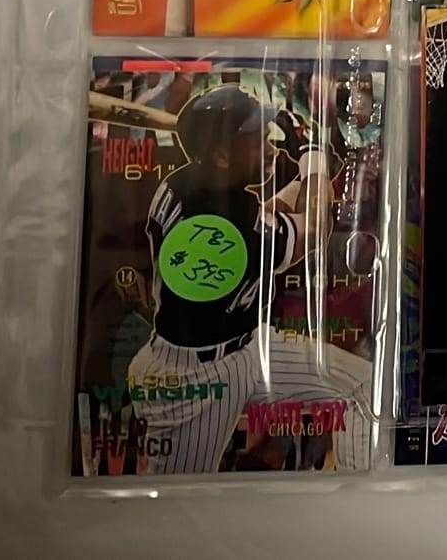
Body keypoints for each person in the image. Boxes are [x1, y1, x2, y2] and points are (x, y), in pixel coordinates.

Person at [124, 84, 372, 473]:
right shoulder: (223, 225)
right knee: (177, 500)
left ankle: (355, 497)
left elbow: (267, 217)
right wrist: (312, 157)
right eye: (257, 142)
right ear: (222, 156)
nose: (270, 148)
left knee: (362, 385)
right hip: (194, 379)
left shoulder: (182, 186)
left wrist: (314, 170)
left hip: (247, 348)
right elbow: (312, 229)